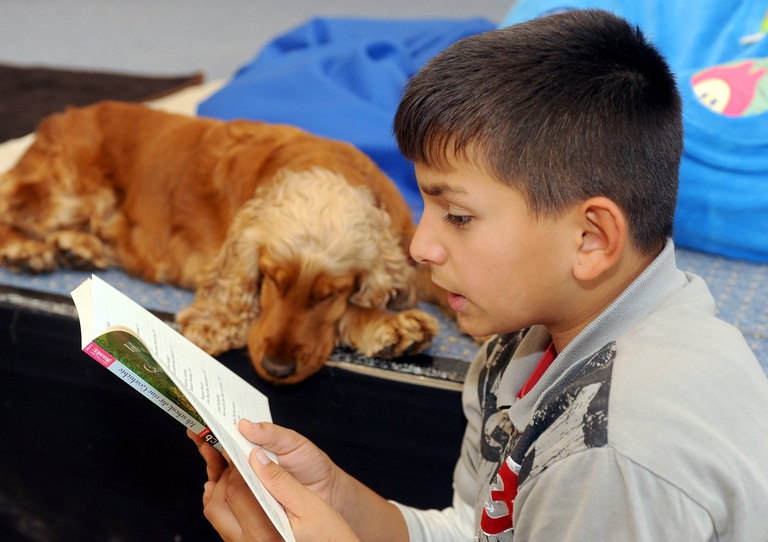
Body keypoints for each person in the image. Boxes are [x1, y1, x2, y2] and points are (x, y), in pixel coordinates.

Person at [189, 9, 768, 541]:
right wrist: (336, 497)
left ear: (591, 239)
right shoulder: (520, 343)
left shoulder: (611, 452)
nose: (419, 246)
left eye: (458, 216)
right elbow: (479, 530)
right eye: (426, 207)